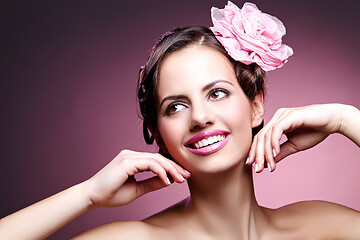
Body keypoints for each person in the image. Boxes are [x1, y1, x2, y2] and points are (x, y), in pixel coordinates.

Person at [1, 2, 359, 239]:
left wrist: (345, 119)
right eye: (175, 106)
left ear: (256, 106)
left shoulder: (320, 226)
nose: (200, 117)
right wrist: (88, 195)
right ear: (158, 134)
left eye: (217, 93)